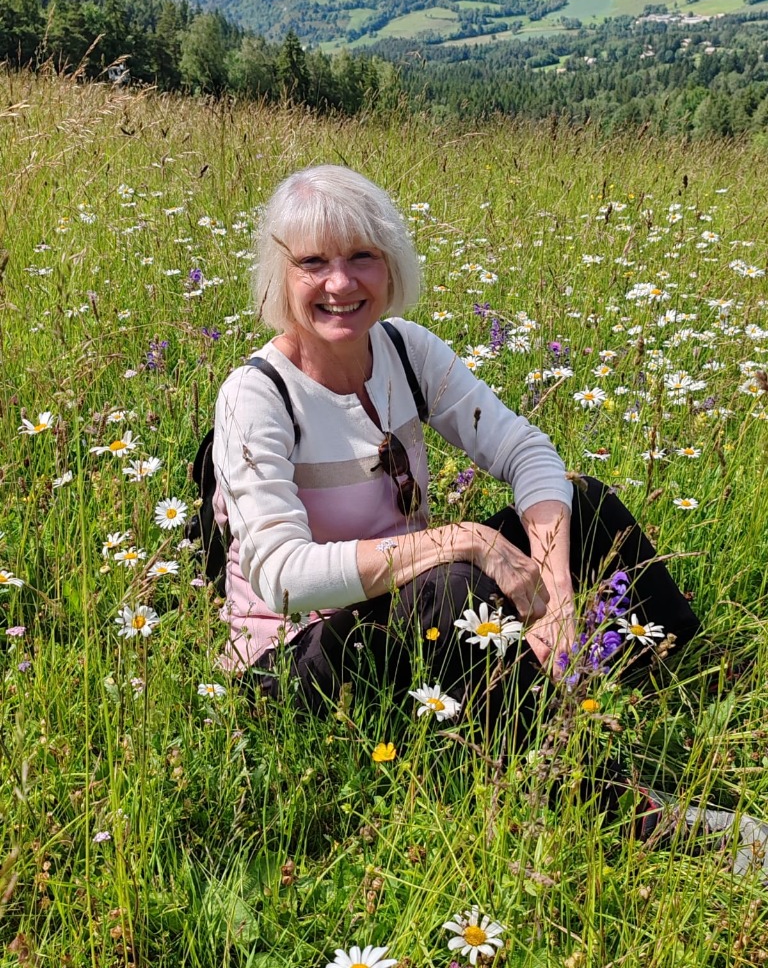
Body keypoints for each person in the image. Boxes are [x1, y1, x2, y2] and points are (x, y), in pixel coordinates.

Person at [212, 165, 767, 875]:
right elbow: (284, 577)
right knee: (453, 586)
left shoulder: (406, 351)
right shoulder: (257, 396)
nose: (340, 283)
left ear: (391, 266)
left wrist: (559, 595)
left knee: (579, 501)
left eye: (361, 257)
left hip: (410, 601)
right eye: (313, 262)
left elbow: (526, 450)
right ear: (280, 276)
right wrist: (467, 541)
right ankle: (610, 807)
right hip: (300, 656)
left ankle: (687, 690)